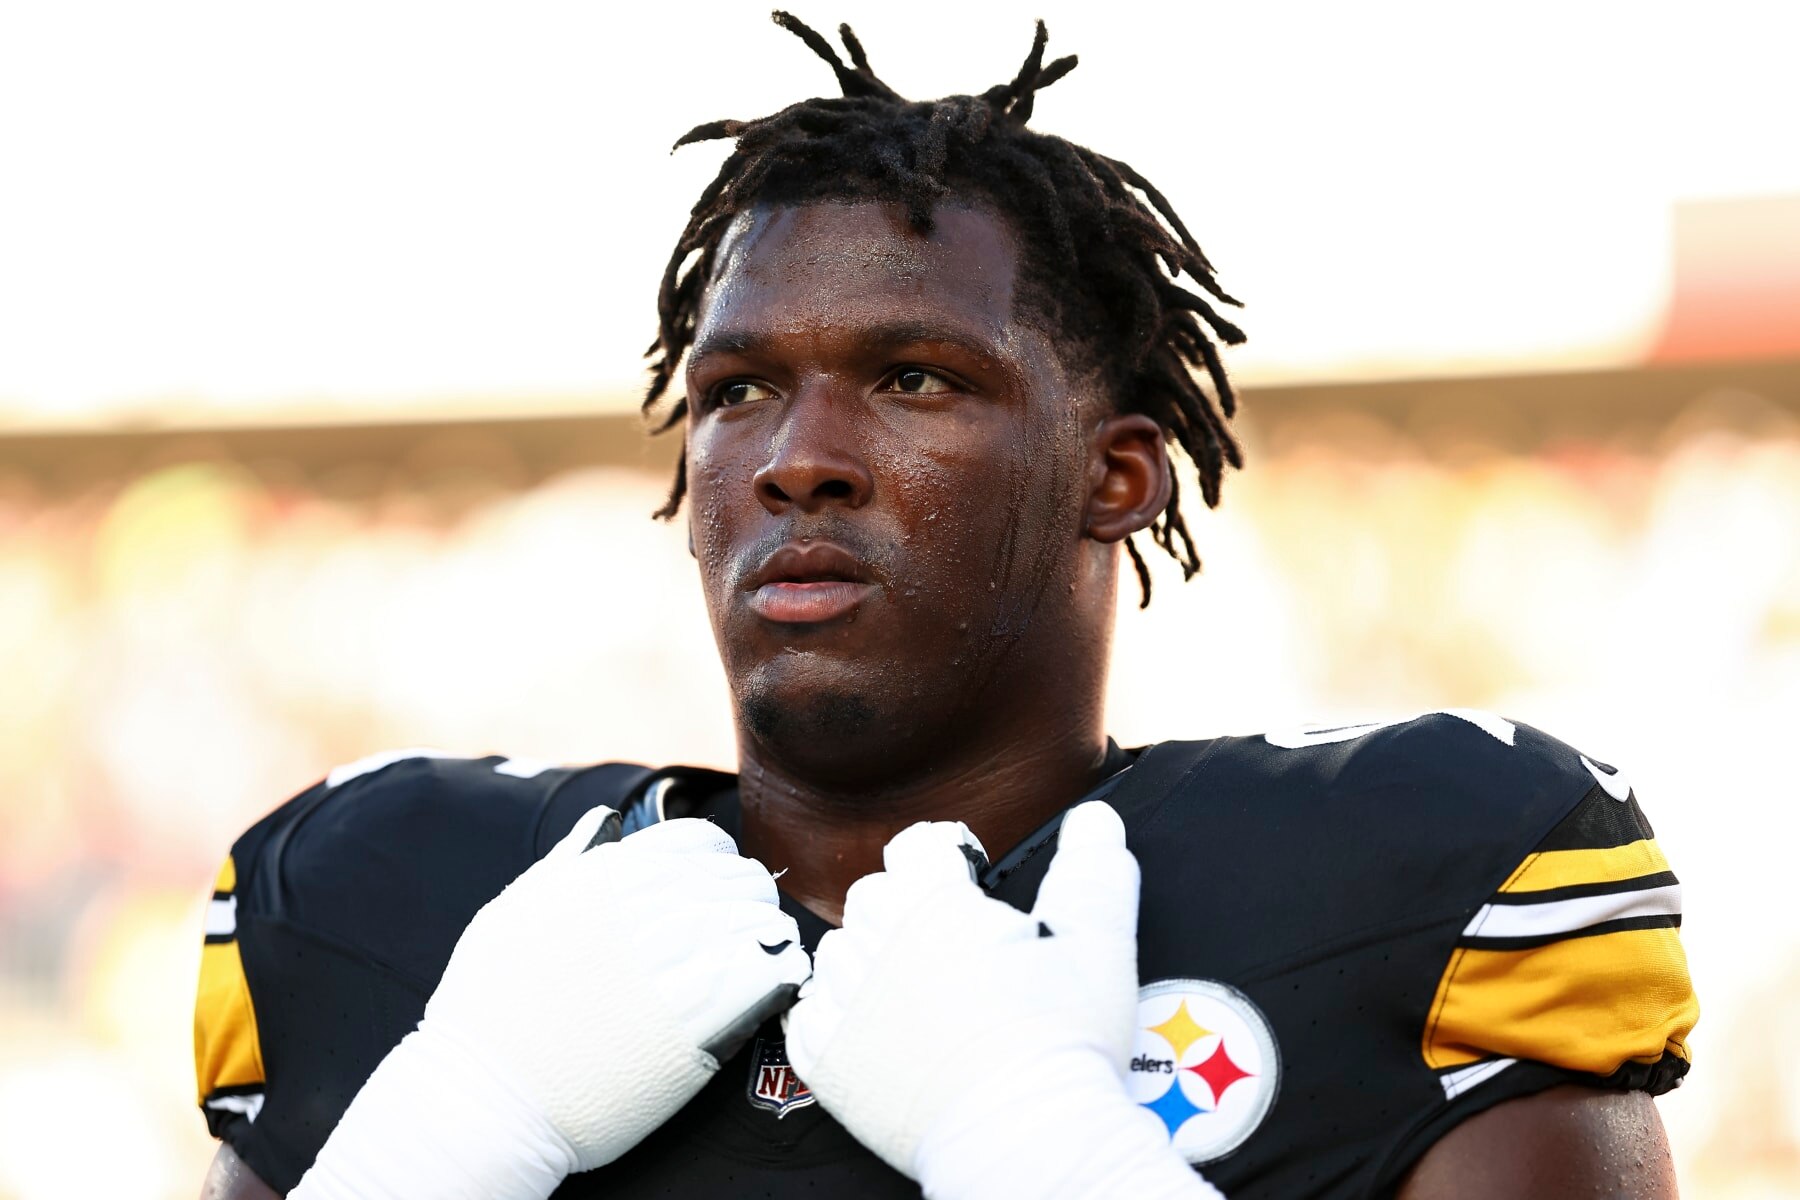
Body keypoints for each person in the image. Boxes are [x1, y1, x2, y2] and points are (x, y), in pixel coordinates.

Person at [194, 15, 1698, 1199]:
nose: (798, 462)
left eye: (915, 379)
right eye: (738, 393)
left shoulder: (1417, 883)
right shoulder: (392, 903)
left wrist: (1047, 1153)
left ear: (1118, 477)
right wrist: (434, 1151)